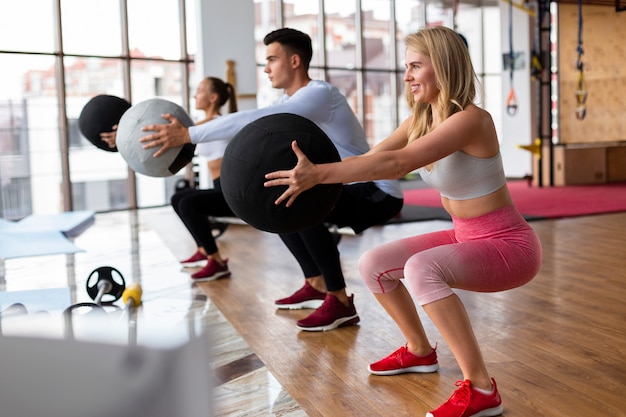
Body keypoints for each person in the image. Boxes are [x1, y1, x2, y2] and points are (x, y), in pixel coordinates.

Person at [264, 26, 542, 417]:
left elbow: (397, 164)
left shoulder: (471, 120)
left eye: (415, 66)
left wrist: (319, 175)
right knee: (374, 264)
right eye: (405, 67)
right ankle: (418, 351)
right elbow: (370, 161)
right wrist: (313, 175)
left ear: (443, 67)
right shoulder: (421, 119)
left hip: (509, 245)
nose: (407, 76)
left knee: (421, 269)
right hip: (466, 236)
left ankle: (481, 388)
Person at [138, 28, 404, 332]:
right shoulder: (287, 102)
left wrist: (188, 134)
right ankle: (316, 282)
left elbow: (254, 120)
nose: (265, 68)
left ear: (294, 61)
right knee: (276, 202)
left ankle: (340, 301)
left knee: (303, 202)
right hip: (339, 184)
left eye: (272, 59)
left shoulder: (320, 95)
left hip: (375, 190)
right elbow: (245, 124)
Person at [171, 76, 238, 279]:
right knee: (178, 198)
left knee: (188, 204)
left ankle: (216, 261)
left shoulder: (219, 124)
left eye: (200, 90)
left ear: (213, 97)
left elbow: (192, 131)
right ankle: (203, 250)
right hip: (220, 189)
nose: (194, 94)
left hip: (233, 195)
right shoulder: (204, 125)